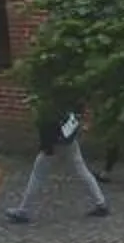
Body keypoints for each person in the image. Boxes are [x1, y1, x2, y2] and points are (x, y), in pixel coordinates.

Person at [6, 95, 108, 224]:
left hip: (54, 144)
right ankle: (101, 203)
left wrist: (47, 148)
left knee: (37, 176)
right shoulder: (64, 99)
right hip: (69, 142)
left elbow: (45, 131)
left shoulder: (45, 109)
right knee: (82, 171)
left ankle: (24, 210)